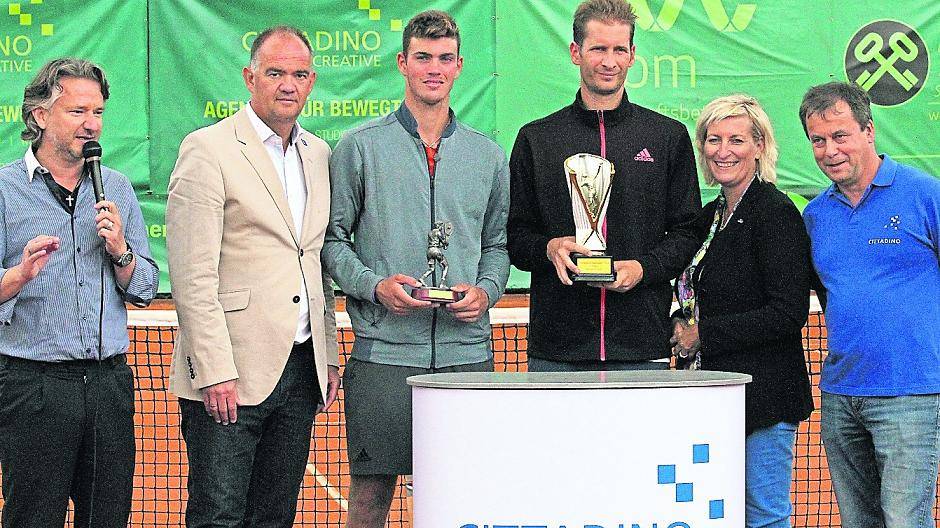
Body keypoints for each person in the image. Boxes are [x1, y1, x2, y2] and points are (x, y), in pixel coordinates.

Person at [322, 10, 510, 527]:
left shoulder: (489, 157)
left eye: (445, 58)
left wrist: (489, 290)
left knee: (464, 498)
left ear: (459, 66)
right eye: (423, 57)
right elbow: (333, 243)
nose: (434, 68)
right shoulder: (359, 148)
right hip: (383, 356)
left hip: (465, 354)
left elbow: (498, 246)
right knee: (369, 498)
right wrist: (373, 286)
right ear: (403, 63)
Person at [166, 26, 340, 527]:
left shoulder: (319, 154)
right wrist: (214, 370)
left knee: (275, 516)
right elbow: (192, 276)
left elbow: (316, 265)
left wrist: (325, 354)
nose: (289, 84)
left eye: (300, 74)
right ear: (250, 78)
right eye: (275, 72)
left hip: (301, 368)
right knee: (218, 516)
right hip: (230, 375)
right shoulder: (208, 148)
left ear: (311, 83)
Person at [0, 58, 159, 527]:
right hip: (33, 388)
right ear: (39, 117)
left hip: (108, 386)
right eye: (77, 112)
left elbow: (146, 288)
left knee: (107, 518)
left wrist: (121, 250)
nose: (91, 124)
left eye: (98, 112)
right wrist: (20, 274)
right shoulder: (5, 190)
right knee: (32, 518)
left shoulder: (117, 189)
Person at [507, 0, 701, 372]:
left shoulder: (667, 137)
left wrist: (642, 269)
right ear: (576, 52)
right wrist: (549, 248)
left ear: (632, 55)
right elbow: (515, 237)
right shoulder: (537, 139)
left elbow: (687, 232)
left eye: (618, 50)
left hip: (642, 348)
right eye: (598, 49)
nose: (608, 61)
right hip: (556, 352)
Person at [800, 81, 940, 528]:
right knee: (858, 522)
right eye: (818, 140)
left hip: (911, 393)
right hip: (841, 397)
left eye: (840, 135)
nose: (829, 150)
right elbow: (827, 294)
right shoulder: (816, 215)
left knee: (904, 521)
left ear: (869, 131)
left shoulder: (925, 194)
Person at [670, 94, 814, 528]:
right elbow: (689, 283)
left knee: (764, 517)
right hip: (716, 396)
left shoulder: (776, 213)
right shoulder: (711, 215)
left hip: (765, 398)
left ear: (759, 147)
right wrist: (679, 316)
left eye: (736, 139)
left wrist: (703, 334)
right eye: (713, 139)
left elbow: (788, 313)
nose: (723, 150)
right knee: (719, 514)